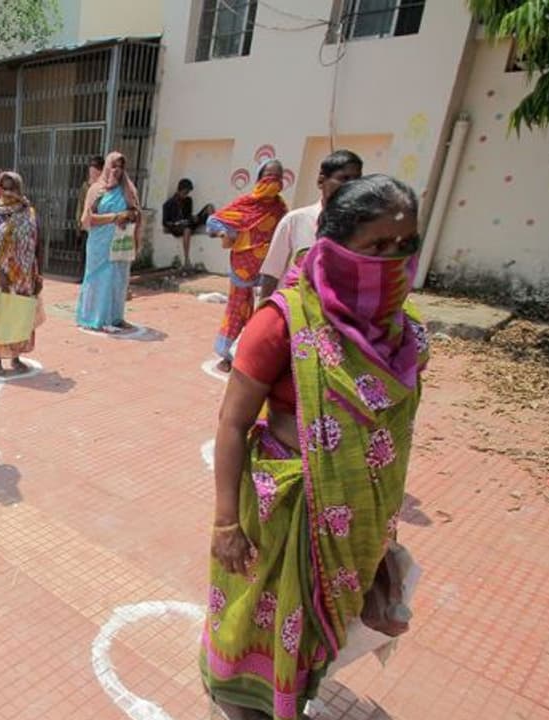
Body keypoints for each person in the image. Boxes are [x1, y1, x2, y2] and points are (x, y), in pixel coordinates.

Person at [201, 174, 427, 720]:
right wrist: (226, 522)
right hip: (286, 511)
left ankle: (292, 691)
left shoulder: (403, 332)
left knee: (316, 631)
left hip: (358, 514)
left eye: (406, 246)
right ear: (336, 245)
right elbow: (232, 424)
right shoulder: (281, 322)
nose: (393, 260)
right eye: (377, 247)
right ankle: (249, 703)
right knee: (260, 617)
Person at [207, 160, 288, 372]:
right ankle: (226, 354)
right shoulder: (246, 203)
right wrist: (226, 233)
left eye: (278, 177)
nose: (273, 181)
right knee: (237, 310)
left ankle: (249, 354)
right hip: (242, 268)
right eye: (269, 176)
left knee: (262, 312)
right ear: (259, 178)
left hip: (269, 269)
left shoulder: (281, 208)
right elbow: (214, 222)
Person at [258, 150, 364, 300]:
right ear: (321, 181)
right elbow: (271, 274)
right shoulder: (294, 221)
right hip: (295, 313)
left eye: (357, 180)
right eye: (344, 178)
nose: (351, 186)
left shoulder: (363, 227)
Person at [0, 171, 43, 376]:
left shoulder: (29, 213)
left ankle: (16, 357)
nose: (8, 192)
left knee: (20, 316)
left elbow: (38, 246)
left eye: (12, 187)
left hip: (25, 278)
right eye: (4, 188)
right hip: (1, 278)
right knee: (0, 316)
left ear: (20, 189)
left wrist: (38, 275)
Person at [76, 151, 142, 332]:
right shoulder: (96, 190)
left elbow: (135, 212)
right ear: (106, 167)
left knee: (118, 279)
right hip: (99, 244)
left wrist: (129, 215)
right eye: (113, 166)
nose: (117, 170)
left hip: (120, 243)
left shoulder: (128, 189)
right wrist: (114, 217)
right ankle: (92, 317)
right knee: (97, 279)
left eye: (120, 167)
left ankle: (115, 317)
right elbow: (87, 220)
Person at [161, 178, 214, 271]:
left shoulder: (188, 200)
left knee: (209, 207)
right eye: (185, 192)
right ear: (179, 190)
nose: (186, 194)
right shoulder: (168, 204)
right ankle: (186, 260)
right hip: (177, 228)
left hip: (188, 223)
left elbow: (188, 215)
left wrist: (193, 218)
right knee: (187, 230)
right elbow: (165, 222)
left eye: (188, 192)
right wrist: (177, 223)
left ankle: (215, 228)